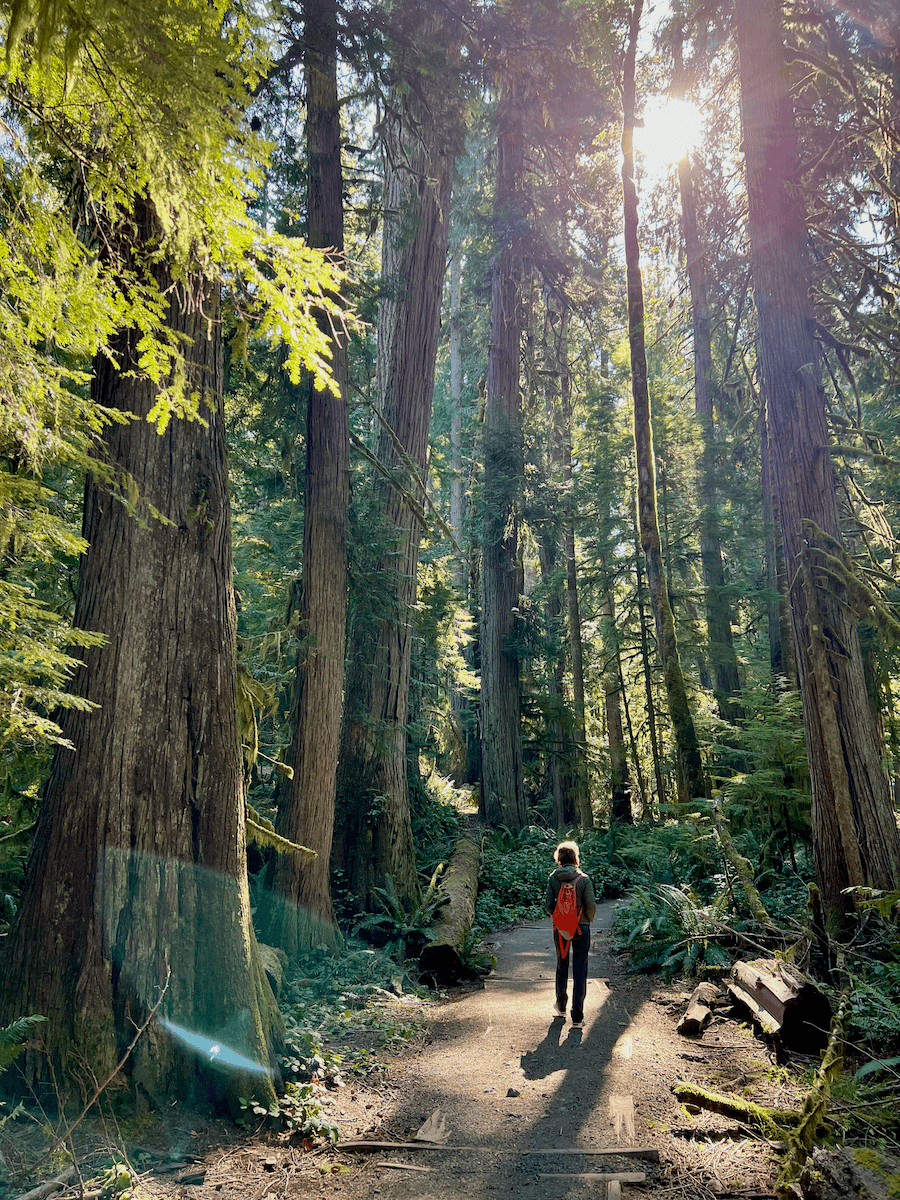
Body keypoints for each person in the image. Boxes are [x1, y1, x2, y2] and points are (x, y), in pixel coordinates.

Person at [544, 840, 596, 1027]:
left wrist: (559, 919)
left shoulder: (552, 878)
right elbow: (591, 907)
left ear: (558, 859)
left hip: (560, 929)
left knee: (561, 965)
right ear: (575, 858)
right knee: (580, 969)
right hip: (581, 928)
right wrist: (585, 921)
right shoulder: (584, 879)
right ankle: (577, 1017)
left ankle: (561, 1007)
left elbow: (548, 906)